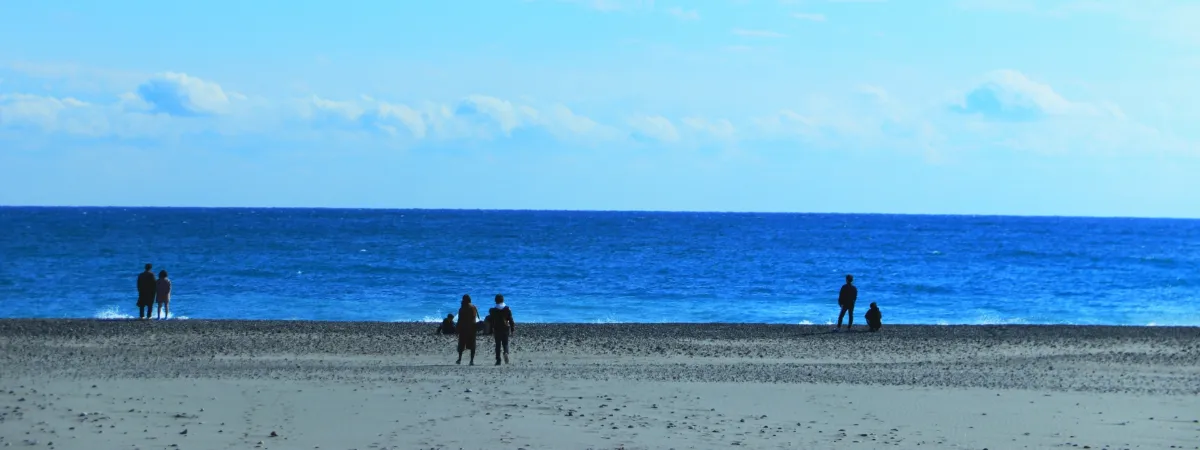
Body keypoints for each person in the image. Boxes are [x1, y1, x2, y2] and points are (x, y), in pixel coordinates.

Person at [489, 294, 515, 365]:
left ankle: (498, 360)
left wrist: (490, 329)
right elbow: (511, 320)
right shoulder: (507, 309)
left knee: (498, 345)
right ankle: (505, 352)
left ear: (495, 301)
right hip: (505, 328)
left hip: (497, 328)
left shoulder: (492, 310)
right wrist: (512, 329)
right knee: (505, 343)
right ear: (503, 300)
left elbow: (491, 320)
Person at [456, 295, 479, 365]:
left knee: (461, 344)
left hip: (463, 328)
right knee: (472, 345)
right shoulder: (474, 307)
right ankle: (471, 360)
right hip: (472, 328)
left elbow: (459, 320)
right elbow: (476, 317)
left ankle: (459, 359)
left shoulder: (461, 308)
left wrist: (457, 328)